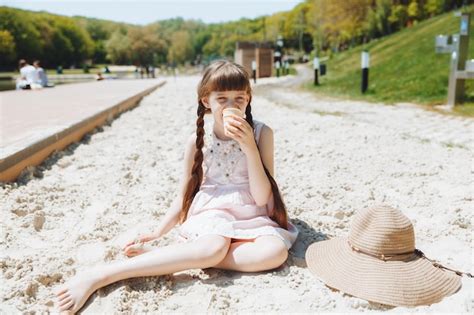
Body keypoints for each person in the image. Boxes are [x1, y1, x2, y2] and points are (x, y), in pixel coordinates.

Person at [53, 60, 299, 313]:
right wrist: (160, 230)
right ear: (206, 101)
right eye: (222, 98)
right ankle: (102, 275)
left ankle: (177, 256)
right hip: (214, 210)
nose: (231, 105)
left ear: (248, 98)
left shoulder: (262, 133)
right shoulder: (197, 141)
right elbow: (185, 193)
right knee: (214, 247)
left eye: (239, 98)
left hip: (253, 211)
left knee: (274, 254)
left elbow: (261, 198)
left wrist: (249, 146)